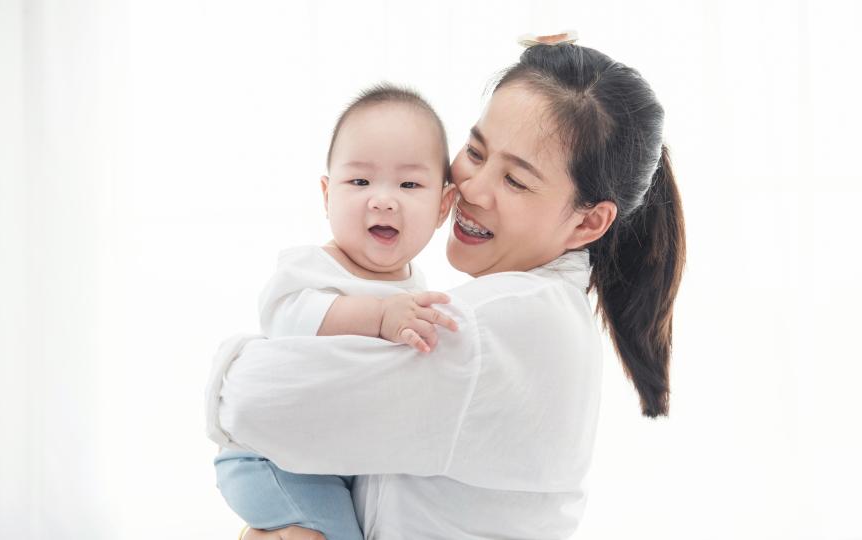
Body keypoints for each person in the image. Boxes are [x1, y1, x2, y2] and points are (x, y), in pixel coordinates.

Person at [206, 34, 686, 539]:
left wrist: (234, 357)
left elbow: (248, 404)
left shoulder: (486, 325)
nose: (471, 190)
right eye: (475, 152)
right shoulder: (541, 315)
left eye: (515, 181)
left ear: (588, 224)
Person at [212, 84, 459, 540]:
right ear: (326, 195)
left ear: (443, 205)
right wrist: (380, 317)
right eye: (359, 181)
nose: (383, 199)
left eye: (409, 184)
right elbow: (286, 318)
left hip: (336, 458)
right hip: (272, 457)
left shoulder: (415, 288)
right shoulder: (311, 266)